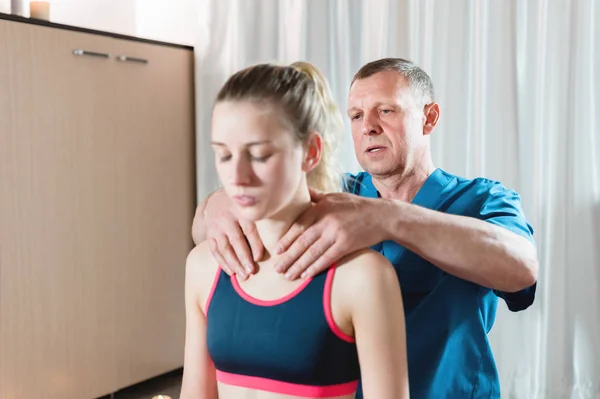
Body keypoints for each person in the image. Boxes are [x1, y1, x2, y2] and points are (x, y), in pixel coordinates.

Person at [192, 57, 540, 399]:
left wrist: (389, 218)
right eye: (356, 116)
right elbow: (204, 236)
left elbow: (522, 269)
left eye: (385, 111)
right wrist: (218, 203)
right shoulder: (333, 194)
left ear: (429, 118)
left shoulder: (481, 199)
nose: (367, 126)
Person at [180, 61, 409, 399]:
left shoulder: (363, 277)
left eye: (258, 154)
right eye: (224, 155)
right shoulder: (204, 266)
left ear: (311, 152)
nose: (237, 176)